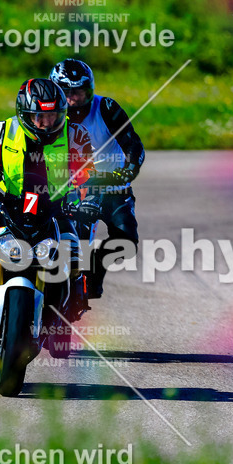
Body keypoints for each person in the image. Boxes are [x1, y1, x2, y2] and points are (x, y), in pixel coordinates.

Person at [0, 78, 93, 323]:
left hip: (55, 208)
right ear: (24, 114)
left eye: (53, 116)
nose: (47, 124)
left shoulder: (76, 135)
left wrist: (91, 199)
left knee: (78, 242)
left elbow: (88, 176)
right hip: (2, 203)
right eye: (40, 117)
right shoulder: (3, 131)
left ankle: (74, 293)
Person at [49, 58, 144, 299]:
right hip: (75, 188)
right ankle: (64, 291)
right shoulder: (48, 117)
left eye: (79, 92)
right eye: (66, 93)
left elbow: (133, 144)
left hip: (113, 187)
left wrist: (128, 170)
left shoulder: (106, 107)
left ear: (89, 91)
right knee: (76, 243)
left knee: (127, 242)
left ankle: (96, 267)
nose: (73, 100)